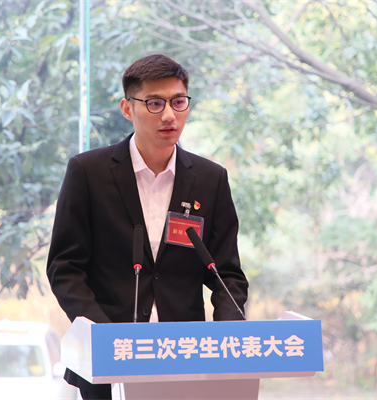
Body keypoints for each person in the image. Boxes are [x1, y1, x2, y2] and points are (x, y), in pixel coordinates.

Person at [46, 54, 248, 400]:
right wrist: (103, 338)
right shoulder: (88, 173)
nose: (169, 115)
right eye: (155, 103)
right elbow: (64, 268)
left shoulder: (210, 180)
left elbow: (226, 274)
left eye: (178, 102)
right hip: (107, 362)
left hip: (186, 359)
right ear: (128, 108)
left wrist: (227, 340)